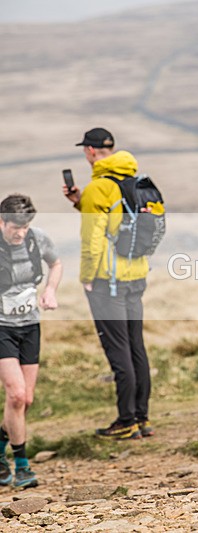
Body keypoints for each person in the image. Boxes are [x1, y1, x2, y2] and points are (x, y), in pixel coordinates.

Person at [63, 127, 153, 440]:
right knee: (136, 347)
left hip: (107, 281)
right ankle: (141, 418)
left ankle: (126, 419)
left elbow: (93, 240)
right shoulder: (136, 180)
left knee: (119, 351)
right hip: (136, 276)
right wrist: (80, 202)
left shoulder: (98, 187)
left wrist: (87, 278)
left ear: (89, 152)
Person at [0, 194, 62, 488]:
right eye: (15, 227)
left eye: (25, 227)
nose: (20, 233)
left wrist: (50, 290)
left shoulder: (38, 240)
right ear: (2, 221)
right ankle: (22, 467)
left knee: (26, 400)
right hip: (2, 329)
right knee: (15, 395)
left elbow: (57, 263)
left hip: (30, 326)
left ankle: (0, 449)